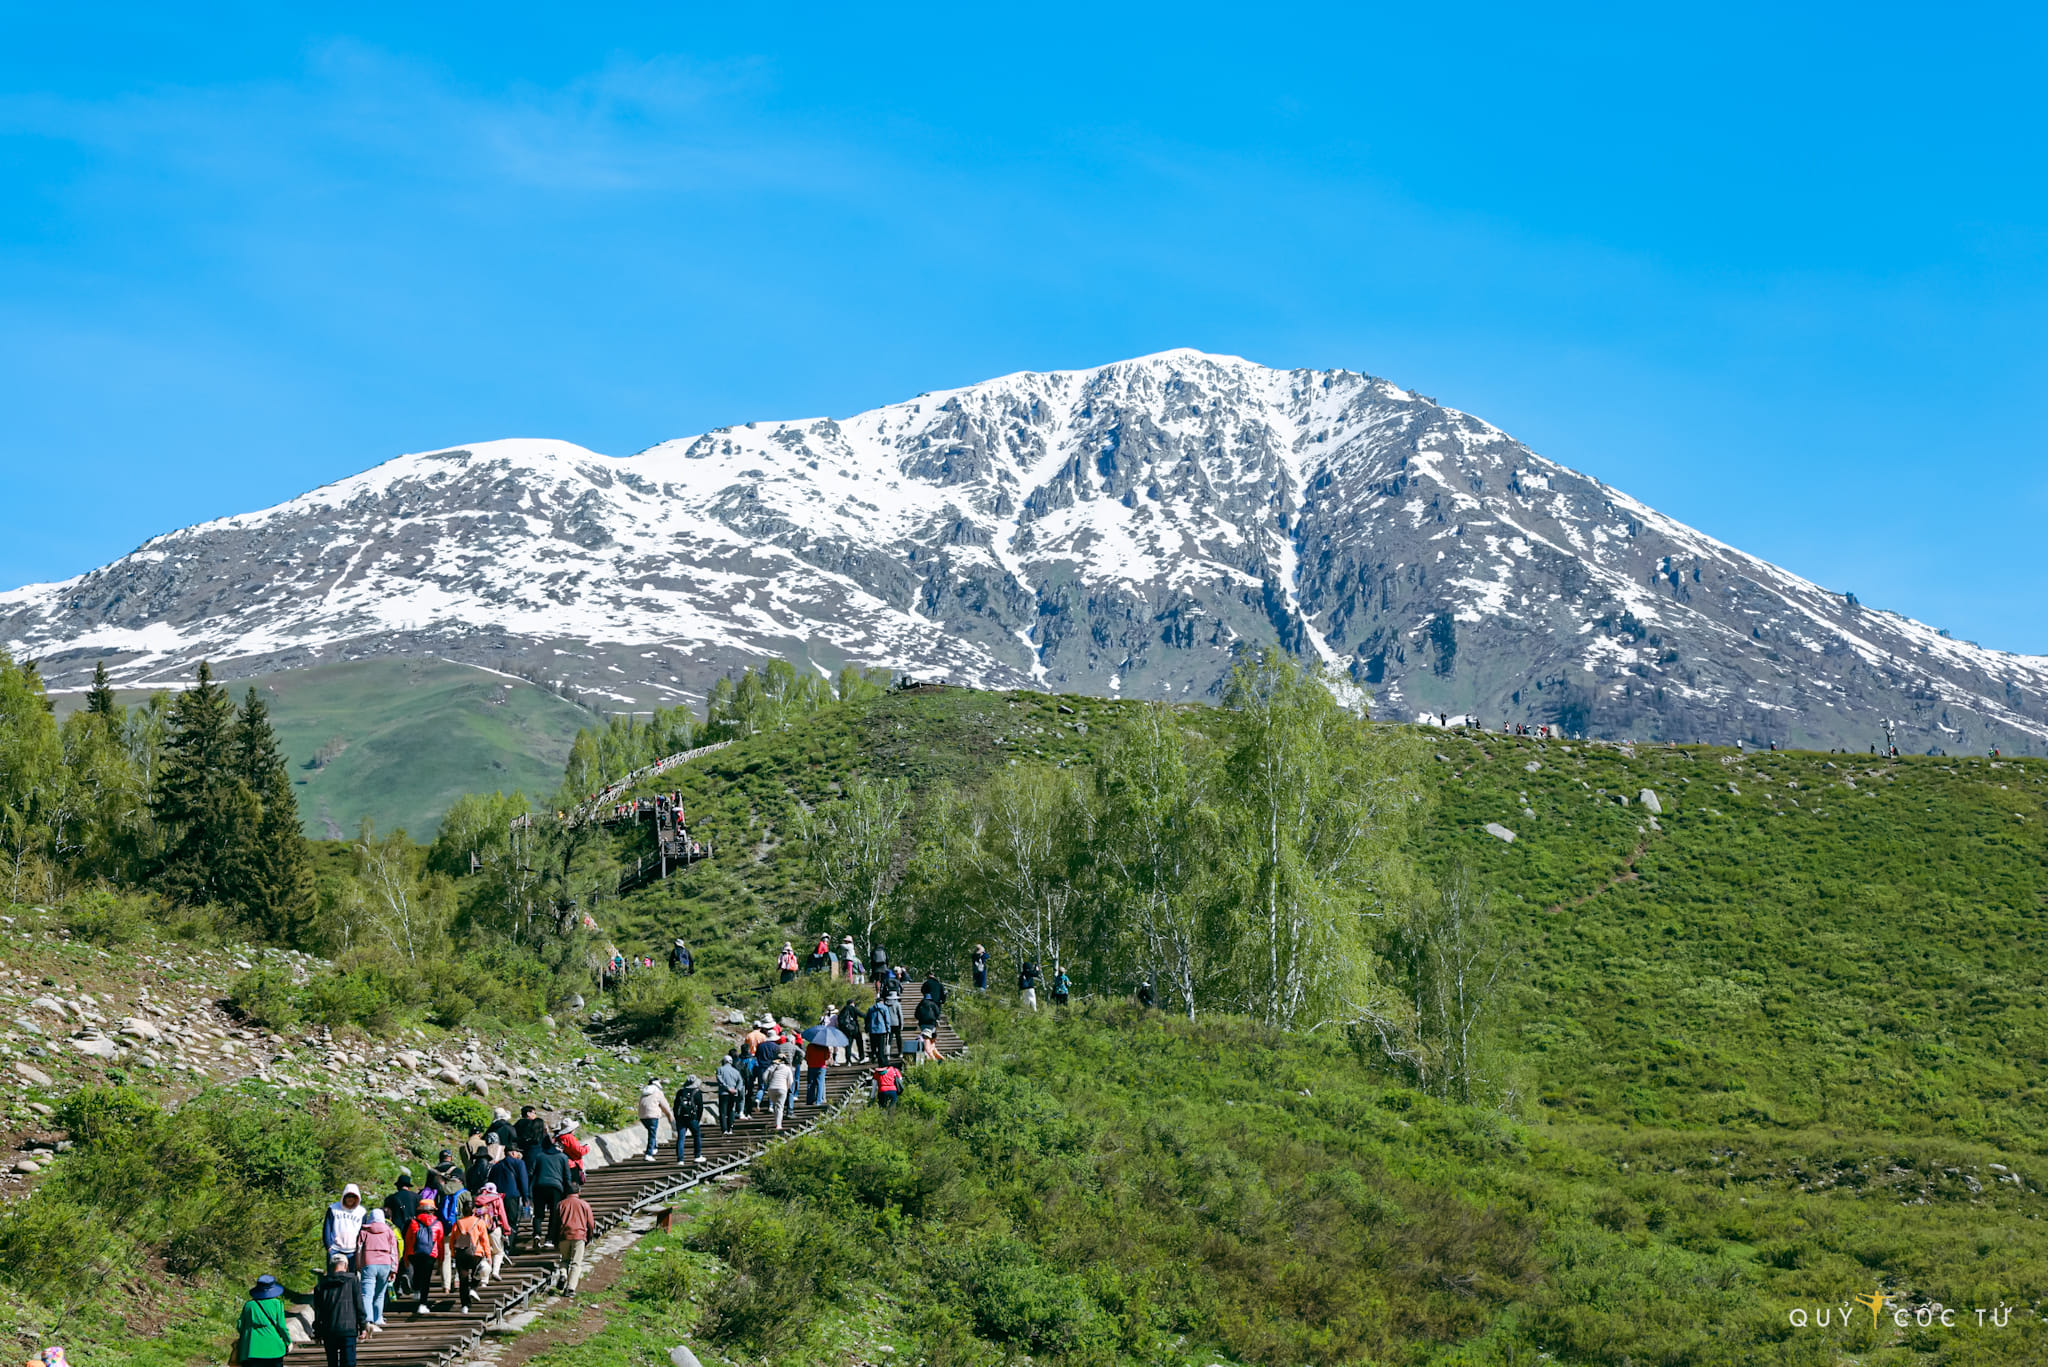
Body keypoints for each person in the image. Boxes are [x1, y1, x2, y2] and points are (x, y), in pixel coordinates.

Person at [352, 1208, 398, 1332]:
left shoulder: (364, 1231)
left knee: (367, 1293)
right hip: (385, 1264)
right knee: (380, 1294)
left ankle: (368, 1320)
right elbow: (394, 1250)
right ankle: (378, 1319)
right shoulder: (389, 1231)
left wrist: (358, 1265)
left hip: (369, 1263)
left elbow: (359, 1249)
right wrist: (394, 1268)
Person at [313, 1255, 364, 1364]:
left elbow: (318, 1312)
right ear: (346, 1265)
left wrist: (317, 1332)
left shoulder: (321, 1285)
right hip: (348, 1329)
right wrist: (363, 1326)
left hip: (329, 1329)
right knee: (349, 1362)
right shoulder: (353, 1280)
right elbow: (359, 1304)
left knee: (332, 1362)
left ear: (330, 1267)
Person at [448, 1192, 491, 1313]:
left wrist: (453, 1254)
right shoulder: (479, 1222)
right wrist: (488, 1255)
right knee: (479, 1272)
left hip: (461, 1254)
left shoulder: (457, 1224)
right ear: (473, 1210)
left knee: (463, 1280)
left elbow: (452, 1241)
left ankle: (464, 1306)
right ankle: (473, 1288)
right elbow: (485, 1241)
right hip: (476, 1254)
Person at [236, 1276, 293, 1367]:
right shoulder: (277, 1304)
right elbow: (281, 1326)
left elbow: (240, 1326)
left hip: (251, 1348)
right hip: (274, 1349)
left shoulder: (249, 1305)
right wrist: (288, 1341)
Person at [554, 1186, 597, 1297]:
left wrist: (555, 1239)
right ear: (579, 1191)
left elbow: (555, 1223)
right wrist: (589, 1236)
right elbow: (591, 1223)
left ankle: (563, 1274)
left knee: (564, 1260)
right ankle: (570, 1288)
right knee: (576, 1263)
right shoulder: (584, 1204)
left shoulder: (560, 1204)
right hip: (579, 1235)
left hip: (564, 1235)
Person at [383, 1173, 421, 1297]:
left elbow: (386, 1214)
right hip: (413, 1229)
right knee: (412, 1256)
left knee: (396, 1255)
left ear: (398, 1186)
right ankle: (410, 1278)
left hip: (396, 1230)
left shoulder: (391, 1198)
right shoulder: (417, 1198)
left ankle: (397, 1285)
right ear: (408, 1186)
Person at [487, 1145, 530, 1252]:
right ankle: (508, 1246)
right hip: (512, 1196)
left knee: (499, 1221)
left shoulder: (496, 1166)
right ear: (513, 1153)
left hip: (497, 1198)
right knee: (511, 1221)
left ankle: (499, 1245)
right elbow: (523, 1180)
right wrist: (526, 1197)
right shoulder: (519, 1163)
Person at [531, 1138, 571, 1248]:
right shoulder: (563, 1157)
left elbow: (532, 1172)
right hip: (556, 1188)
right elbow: (567, 1176)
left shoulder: (540, 1156)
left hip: (539, 1186)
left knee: (538, 1214)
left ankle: (537, 1234)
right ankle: (549, 1239)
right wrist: (569, 1191)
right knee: (554, 1214)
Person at [406, 1200, 444, 1315]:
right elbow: (440, 1243)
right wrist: (441, 1259)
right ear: (432, 1211)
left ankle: (416, 1290)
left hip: (415, 1253)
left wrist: (406, 1257)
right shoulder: (438, 1223)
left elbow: (408, 1241)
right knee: (426, 1279)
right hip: (430, 1254)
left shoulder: (413, 1223)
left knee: (417, 1272)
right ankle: (422, 1304)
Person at [473, 1182, 512, 1285]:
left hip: (480, 1229)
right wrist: (507, 1229)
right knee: (498, 1252)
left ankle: (484, 1280)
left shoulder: (477, 1199)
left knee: (485, 1254)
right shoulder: (497, 1198)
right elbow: (502, 1214)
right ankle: (495, 1271)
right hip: (494, 1228)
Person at [323, 1184, 368, 1267]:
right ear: (344, 1196)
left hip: (353, 1251)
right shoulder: (333, 1209)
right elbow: (327, 1228)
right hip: (335, 1249)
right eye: (348, 1196)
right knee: (333, 1277)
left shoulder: (361, 1212)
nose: (350, 1199)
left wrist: (361, 1249)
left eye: (353, 1196)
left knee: (350, 1277)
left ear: (357, 1198)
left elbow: (364, 1231)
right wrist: (328, 1246)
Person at [637, 1078, 674, 1161]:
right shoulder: (658, 1092)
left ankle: (654, 1148)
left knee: (651, 1133)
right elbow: (665, 1105)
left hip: (642, 1116)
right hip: (652, 1115)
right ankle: (648, 1154)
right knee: (652, 1135)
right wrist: (669, 1115)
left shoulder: (644, 1092)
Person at [672, 1076, 705, 1163]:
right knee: (697, 1135)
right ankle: (697, 1155)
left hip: (680, 1118)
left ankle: (680, 1159)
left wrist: (676, 1117)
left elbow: (675, 1106)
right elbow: (700, 1107)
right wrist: (697, 1119)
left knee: (681, 1138)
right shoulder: (697, 1092)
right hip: (692, 1117)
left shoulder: (680, 1092)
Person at [762, 1052, 796, 1129]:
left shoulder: (771, 1067)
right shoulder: (787, 1069)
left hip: (771, 1088)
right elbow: (791, 1081)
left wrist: (768, 1082)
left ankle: (776, 1122)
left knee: (776, 1106)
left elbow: (764, 1076)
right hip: (782, 1088)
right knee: (780, 1107)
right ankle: (778, 1125)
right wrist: (787, 1087)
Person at [714, 1053, 744, 1135]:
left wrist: (727, 1088)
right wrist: (736, 1089)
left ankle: (724, 1129)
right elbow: (740, 1081)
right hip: (733, 1093)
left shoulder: (720, 1069)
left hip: (723, 1093)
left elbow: (720, 1080)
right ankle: (730, 1128)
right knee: (731, 1110)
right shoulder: (736, 1071)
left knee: (723, 1112)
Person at [556, 1121, 589, 1189]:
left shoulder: (559, 1137)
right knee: (574, 1185)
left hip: (564, 1163)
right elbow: (579, 1151)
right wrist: (586, 1148)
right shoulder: (569, 1137)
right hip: (572, 1165)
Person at [804, 1028, 831, 1106]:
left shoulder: (810, 1046)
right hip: (821, 1067)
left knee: (810, 1084)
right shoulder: (824, 1047)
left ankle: (809, 1100)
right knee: (820, 1083)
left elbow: (806, 1057)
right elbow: (826, 1057)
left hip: (811, 1066)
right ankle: (819, 1101)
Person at [865, 994, 892, 1065]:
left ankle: (873, 1055)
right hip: (882, 1029)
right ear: (882, 1002)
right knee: (881, 1046)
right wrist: (888, 1029)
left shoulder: (871, 1009)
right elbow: (887, 1019)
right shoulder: (885, 1008)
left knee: (873, 1045)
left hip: (872, 1029)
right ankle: (881, 1059)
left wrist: (867, 1028)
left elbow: (867, 1019)